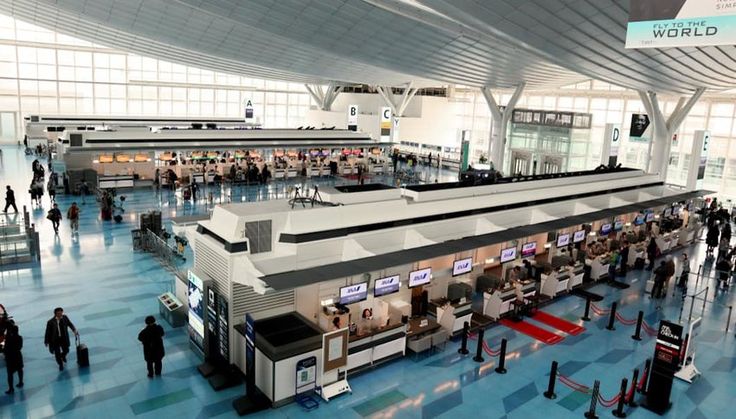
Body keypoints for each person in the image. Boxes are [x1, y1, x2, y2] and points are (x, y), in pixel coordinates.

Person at [4, 325, 23, 394]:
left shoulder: (8, 339)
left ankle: (11, 388)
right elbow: (20, 347)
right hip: (18, 356)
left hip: (10, 358)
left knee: (10, 374)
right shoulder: (20, 338)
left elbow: (5, 349)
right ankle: (21, 382)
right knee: (20, 370)